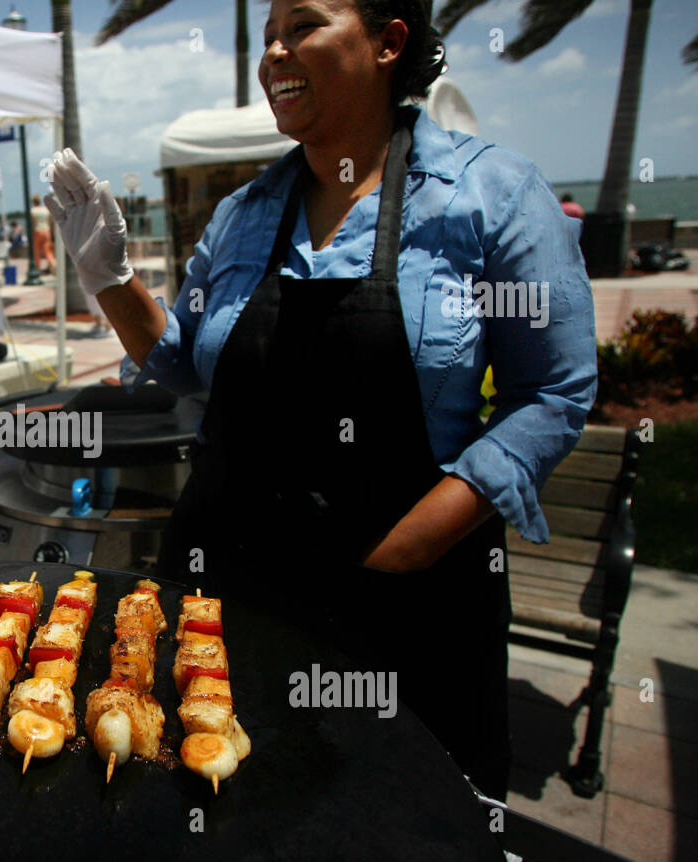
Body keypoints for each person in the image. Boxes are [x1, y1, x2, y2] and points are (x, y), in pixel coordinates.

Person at [45, 0, 597, 800]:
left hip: (406, 597)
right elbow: (182, 365)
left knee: (399, 821)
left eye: (302, 25)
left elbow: (551, 392)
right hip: (227, 592)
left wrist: (408, 549)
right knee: (214, 802)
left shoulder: (490, 195)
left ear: (388, 41)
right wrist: (109, 278)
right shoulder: (242, 215)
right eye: (268, 35)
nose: (274, 52)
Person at [30, 195, 55, 273]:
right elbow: (50, 222)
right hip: (47, 231)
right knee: (47, 251)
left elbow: (32, 223)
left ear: (33, 202)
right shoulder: (46, 210)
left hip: (37, 231)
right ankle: (54, 265)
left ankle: (38, 268)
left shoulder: (33, 210)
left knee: (36, 251)